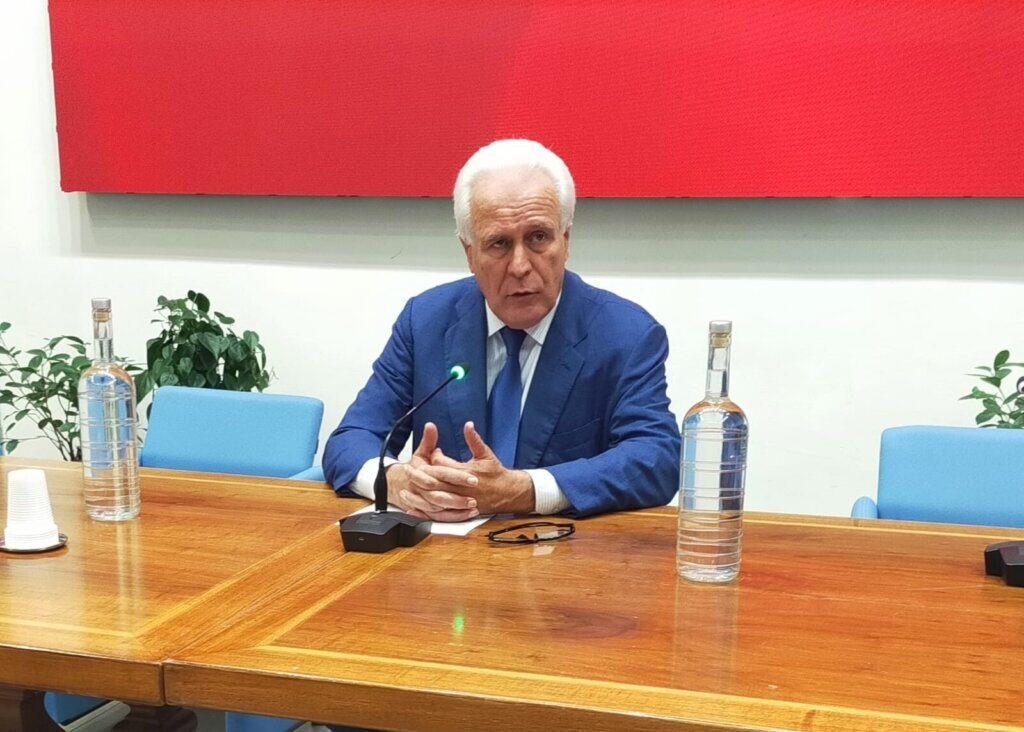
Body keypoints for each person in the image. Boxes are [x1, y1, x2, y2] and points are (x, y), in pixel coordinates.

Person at [323, 139, 679, 521]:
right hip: (445, 551)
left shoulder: (625, 335)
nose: (520, 266)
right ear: (469, 253)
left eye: (538, 237)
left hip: (562, 551)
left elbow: (656, 458)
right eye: (499, 244)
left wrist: (526, 491)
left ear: (565, 241)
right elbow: (350, 440)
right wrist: (397, 482)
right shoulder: (425, 322)